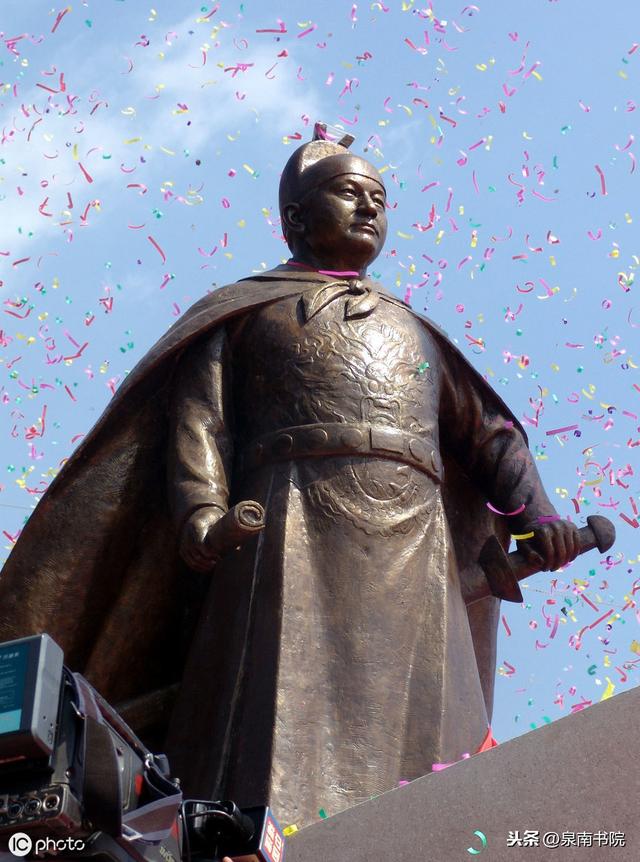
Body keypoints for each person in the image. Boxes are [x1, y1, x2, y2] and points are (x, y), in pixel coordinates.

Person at [0, 128, 579, 830]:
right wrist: (201, 513)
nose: (369, 209)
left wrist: (538, 516)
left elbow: (490, 432)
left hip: (414, 549)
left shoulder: (415, 331)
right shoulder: (250, 312)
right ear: (298, 217)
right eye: (349, 193)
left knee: (420, 721)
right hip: (287, 526)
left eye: (379, 199)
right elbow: (201, 420)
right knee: (273, 708)